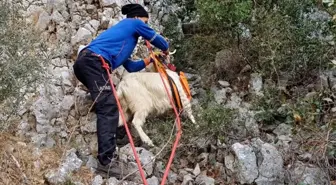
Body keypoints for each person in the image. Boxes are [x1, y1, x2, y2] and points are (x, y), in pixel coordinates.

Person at [73, 3, 169, 177]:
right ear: (138, 18)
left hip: (86, 64)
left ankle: (108, 131)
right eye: (145, 22)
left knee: (106, 102)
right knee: (109, 106)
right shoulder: (133, 24)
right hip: (94, 63)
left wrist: (150, 59)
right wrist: (166, 49)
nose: (145, 27)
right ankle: (106, 163)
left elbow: (131, 67)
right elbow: (158, 40)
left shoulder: (125, 39)